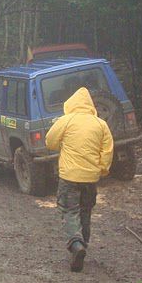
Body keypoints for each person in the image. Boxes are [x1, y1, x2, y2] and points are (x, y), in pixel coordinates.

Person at [46, 87, 114, 272]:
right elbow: (107, 151)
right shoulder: (101, 124)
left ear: (71, 104)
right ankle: (83, 243)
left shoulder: (66, 121)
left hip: (69, 176)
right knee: (86, 211)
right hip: (90, 178)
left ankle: (76, 245)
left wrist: (63, 143)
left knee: (69, 210)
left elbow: (50, 141)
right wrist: (101, 170)